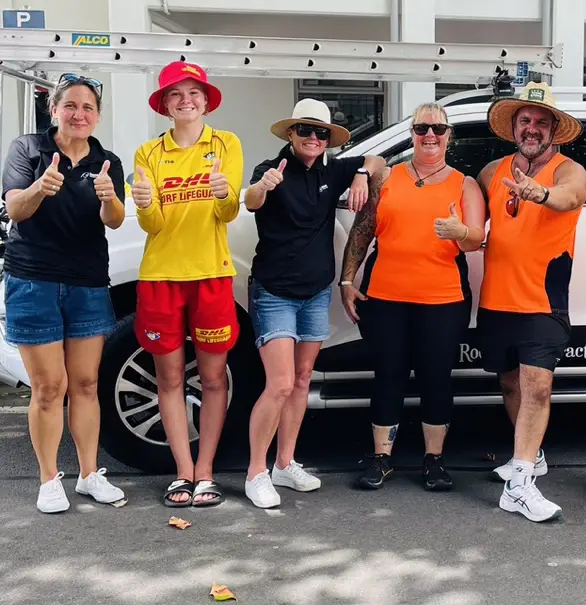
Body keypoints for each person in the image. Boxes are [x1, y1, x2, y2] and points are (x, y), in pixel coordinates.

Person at [241, 98, 386, 508]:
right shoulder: (271, 168)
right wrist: (263, 187)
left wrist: (361, 175)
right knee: (280, 383)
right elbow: (250, 200)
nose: (313, 138)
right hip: (274, 292)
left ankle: (285, 464)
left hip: (315, 293)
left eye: (321, 132)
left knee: (303, 379)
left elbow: (377, 160)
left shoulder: (333, 169)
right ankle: (255, 472)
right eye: (305, 130)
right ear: (291, 133)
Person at [340, 102, 485, 491]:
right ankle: (381, 458)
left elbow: (476, 239)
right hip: (385, 298)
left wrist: (459, 231)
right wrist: (347, 280)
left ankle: (433, 460)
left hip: (443, 300)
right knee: (388, 375)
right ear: (412, 134)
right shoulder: (387, 177)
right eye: (422, 128)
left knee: (436, 378)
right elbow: (363, 229)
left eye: (438, 129)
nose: (430, 135)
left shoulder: (465, 184)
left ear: (449, 136)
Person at [0, 73, 127, 513]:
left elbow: (114, 220)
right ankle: (49, 478)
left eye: (88, 107)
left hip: (87, 283)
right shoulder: (27, 150)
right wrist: (41, 186)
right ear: (54, 110)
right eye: (70, 105)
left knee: (87, 383)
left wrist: (109, 198)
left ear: (97, 116)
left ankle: (90, 475)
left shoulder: (107, 161)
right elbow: (15, 208)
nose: (79, 114)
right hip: (33, 280)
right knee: (49, 387)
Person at [131, 61, 243, 508]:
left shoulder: (226, 143)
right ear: (164, 104)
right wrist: (144, 204)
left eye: (194, 92)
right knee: (170, 377)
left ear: (205, 100)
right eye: (175, 94)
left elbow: (228, 213)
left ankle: (206, 471)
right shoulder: (148, 153)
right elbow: (153, 224)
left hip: (211, 273)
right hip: (161, 275)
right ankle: (182, 472)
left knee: (213, 378)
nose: (186, 100)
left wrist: (223, 193)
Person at [475, 81, 586, 522]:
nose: (532, 128)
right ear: (514, 127)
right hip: (496, 300)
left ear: (554, 130)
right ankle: (532, 457)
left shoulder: (567, 170)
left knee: (537, 388)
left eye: (542, 122)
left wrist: (538, 193)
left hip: (543, 301)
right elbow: (470, 213)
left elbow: (570, 197)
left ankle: (520, 485)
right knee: (510, 385)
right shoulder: (492, 172)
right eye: (525, 120)